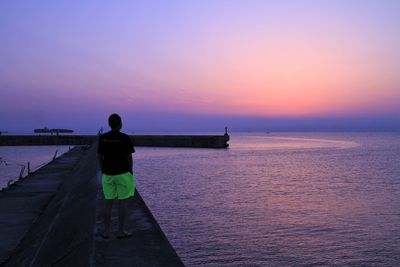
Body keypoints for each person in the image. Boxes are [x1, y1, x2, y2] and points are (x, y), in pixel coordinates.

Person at [98, 113, 135, 239]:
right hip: (123, 173)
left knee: (108, 203)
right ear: (120, 124)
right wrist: (131, 171)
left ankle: (106, 232)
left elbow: (99, 156)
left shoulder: (103, 138)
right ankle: (121, 231)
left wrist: (103, 169)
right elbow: (129, 157)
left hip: (108, 174)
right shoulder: (125, 138)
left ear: (109, 124)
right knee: (122, 203)